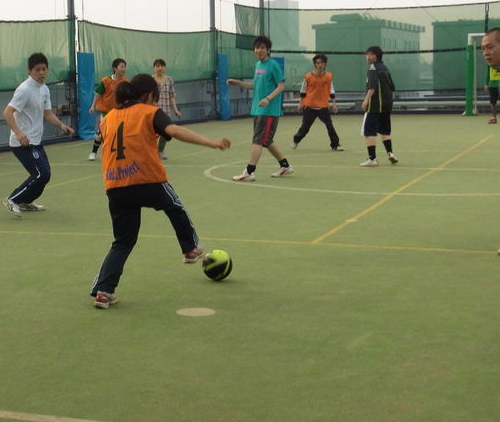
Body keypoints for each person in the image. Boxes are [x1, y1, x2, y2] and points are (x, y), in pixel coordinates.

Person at [90, 74, 230, 309]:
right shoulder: (149, 112)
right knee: (175, 207)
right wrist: (210, 142)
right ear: (149, 95)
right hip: (146, 179)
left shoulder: (109, 118)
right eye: (155, 97)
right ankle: (190, 249)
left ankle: (103, 291)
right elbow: (173, 131)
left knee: (122, 242)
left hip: (115, 186)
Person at [2, 53, 75, 217]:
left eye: (44, 69)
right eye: (37, 70)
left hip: (35, 141)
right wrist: (19, 133)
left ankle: (26, 201)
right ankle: (13, 199)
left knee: (45, 175)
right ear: (30, 71)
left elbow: (48, 114)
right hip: (22, 143)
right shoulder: (24, 90)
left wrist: (62, 125)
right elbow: (7, 112)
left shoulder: (44, 89)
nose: (41, 73)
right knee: (42, 174)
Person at [227, 35, 293, 181]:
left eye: (262, 47)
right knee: (266, 140)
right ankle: (285, 166)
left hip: (268, 110)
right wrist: (237, 82)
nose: (259, 50)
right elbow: (254, 85)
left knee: (258, 140)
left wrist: (268, 99)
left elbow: (281, 85)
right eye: (257, 47)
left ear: (268, 50)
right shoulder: (258, 65)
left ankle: (249, 172)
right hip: (258, 109)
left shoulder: (273, 65)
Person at [292, 54, 343, 151]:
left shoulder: (328, 76)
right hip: (309, 107)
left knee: (330, 126)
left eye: (322, 63)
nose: (320, 65)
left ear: (325, 64)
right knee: (305, 128)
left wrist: (334, 104)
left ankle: (335, 145)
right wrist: (300, 104)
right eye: (318, 63)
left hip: (323, 107)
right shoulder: (308, 77)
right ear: (315, 64)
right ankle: (296, 139)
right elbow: (303, 91)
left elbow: (331, 91)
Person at [359, 46, 398, 167]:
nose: (367, 56)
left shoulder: (373, 68)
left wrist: (366, 100)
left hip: (375, 105)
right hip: (386, 105)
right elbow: (392, 87)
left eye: (368, 54)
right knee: (384, 130)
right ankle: (391, 153)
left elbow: (372, 87)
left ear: (374, 56)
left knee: (369, 131)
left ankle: (372, 159)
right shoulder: (385, 68)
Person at [88, 58, 128, 161]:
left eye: (124, 67)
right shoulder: (106, 81)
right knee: (100, 135)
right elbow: (97, 94)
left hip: (120, 113)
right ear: (115, 68)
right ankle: (93, 152)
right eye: (121, 67)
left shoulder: (126, 82)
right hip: (106, 113)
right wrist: (92, 106)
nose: (123, 69)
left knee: (119, 134)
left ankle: (117, 153)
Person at [152, 58, 181, 159]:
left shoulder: (169, 80)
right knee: (152, 133)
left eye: (162, 66)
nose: (159, 68)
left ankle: (160, 151)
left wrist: (176, 110)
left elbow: (171, 96)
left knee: (166, 132)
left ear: (165, 67)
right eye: (157, 66)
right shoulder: (151, 80)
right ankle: (151, 152)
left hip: (166, 111)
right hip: (153, 111)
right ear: (154, 68)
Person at [482, 28, 500, 124]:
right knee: (493, 101)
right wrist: (486, 83)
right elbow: (487, 73)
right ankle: (493, 117)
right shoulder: (491, 65)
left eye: (490, 47)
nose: (485, 53)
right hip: (493, 83)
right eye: (483, 49)